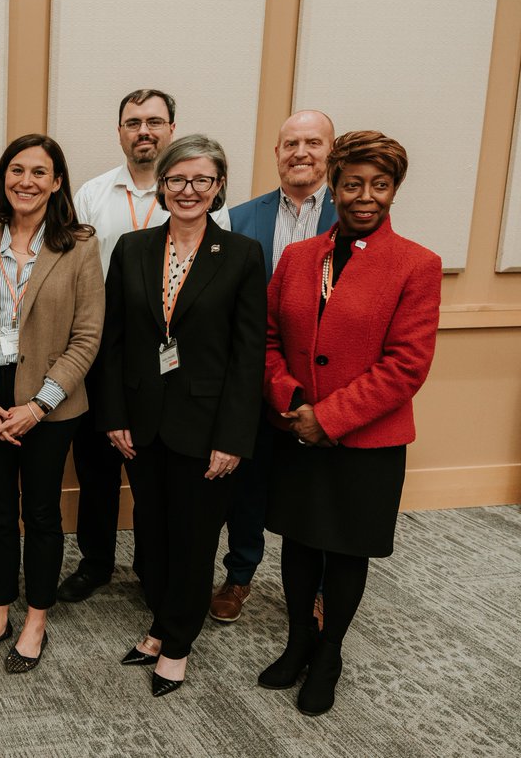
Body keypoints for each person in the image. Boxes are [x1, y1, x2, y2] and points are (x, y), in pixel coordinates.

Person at [258, 131, 440, 716]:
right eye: (354, 183)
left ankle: (329, 652)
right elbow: (265, 340)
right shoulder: (296, 258)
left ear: (395, 191)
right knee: (299, 542)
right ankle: (297, 642)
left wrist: (328, 418)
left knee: (345, 551)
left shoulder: (417, 264)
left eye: (379, 185)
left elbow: (407, 365)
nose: (366, 196)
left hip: (365, 441)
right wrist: (289, 400)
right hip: (294, 430)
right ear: (333, 186)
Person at [97, 134, 265, 697]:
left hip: (208, 428)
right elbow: (114, 342)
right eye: (177, 179)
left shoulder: (241, 255)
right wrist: (114, 415)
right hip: (141, 423)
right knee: (152, 534)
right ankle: (161, 620)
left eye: (201, 180)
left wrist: (234, 437)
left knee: (194, 539)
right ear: (162, 185)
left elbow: (248, 356)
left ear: (218, 188)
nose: (188, 190)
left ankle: (176, 643)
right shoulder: (132, 248)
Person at [0, 134, 104, 673]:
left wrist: (38, 406)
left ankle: (35, 619)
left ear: (57, 181)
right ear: (1, 177)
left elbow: (87, 337)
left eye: (40, 172)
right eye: (17, 170)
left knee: (39, 513)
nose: (26, 182)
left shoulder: (80, 244)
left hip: (51, 406)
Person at [211, 110, 337, 624]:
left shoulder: (350, 213)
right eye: (290, 143)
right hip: (254, 376)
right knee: (248, 486)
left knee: (318, 493)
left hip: (326, 383)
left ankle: (318, 587)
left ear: (331, 151)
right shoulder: (240, 218)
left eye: (313, 142)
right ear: (276, 152)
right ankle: (240, 575)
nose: (300, 152)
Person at [59, 88, 177, 604]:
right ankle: (96, 562)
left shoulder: (196, 193)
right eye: (133, 122)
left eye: (154, 121)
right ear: (120, 132)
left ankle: (154, 565)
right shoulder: (92, 194)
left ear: (172, 128)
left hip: (169, 361)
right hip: (100, 354)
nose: (144, 131)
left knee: (157, 474)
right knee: (96, 470)